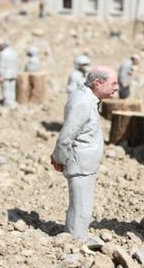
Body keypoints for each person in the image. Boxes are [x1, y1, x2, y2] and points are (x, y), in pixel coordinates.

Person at [51, 66, 118, 241]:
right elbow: (66, 136)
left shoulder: (89, 99)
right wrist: (59, 158)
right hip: (79, 163)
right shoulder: (82, 102)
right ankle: (75, 239)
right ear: (98, 83)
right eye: (113, 83)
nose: (116, 87)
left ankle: (77, 235)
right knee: (81, 206)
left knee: (83, 205)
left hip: (85, 163)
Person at [0, 43, 18, 107]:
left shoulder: (3, 54)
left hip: (5, 75)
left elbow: (2, 66)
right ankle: (12, 102)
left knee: (6, 89)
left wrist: (1, 76)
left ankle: (7, 104)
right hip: (14, 73)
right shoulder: (14, 52)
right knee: (12, 89)